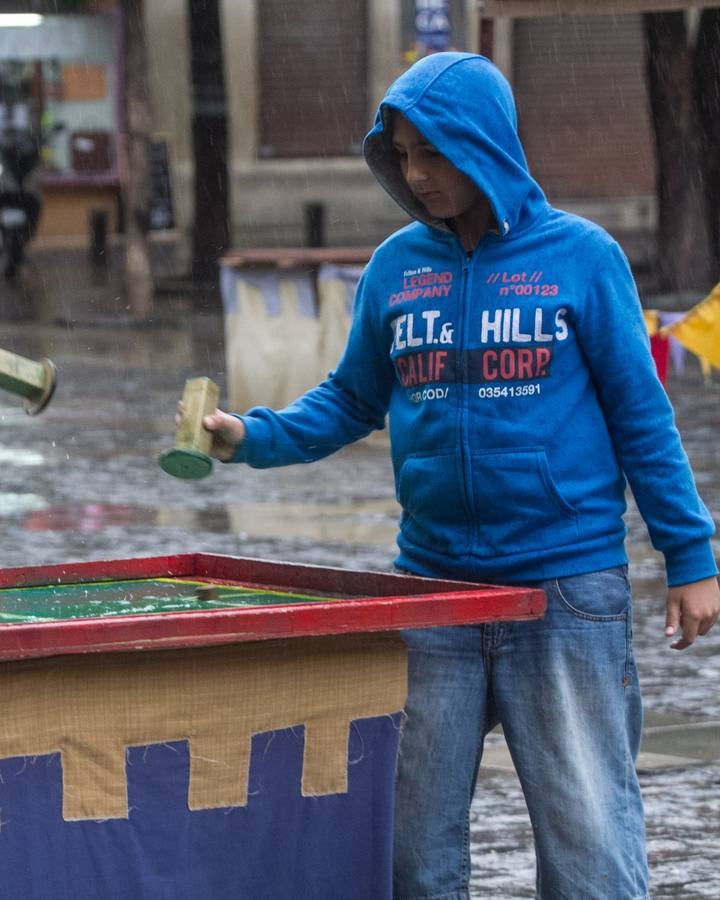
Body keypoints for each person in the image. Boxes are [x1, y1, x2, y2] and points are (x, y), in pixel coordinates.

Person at [188, 52, 719, 898]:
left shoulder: (583, 258)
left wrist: (691, 559)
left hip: (565, 594)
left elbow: (642, 418)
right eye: (401, 155)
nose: (417, 174)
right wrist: (249, 436)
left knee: (588, 847)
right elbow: (351, 399)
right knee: (410, 850)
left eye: (433, 152)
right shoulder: (398, 268)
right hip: (431, 592)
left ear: (486, 146)